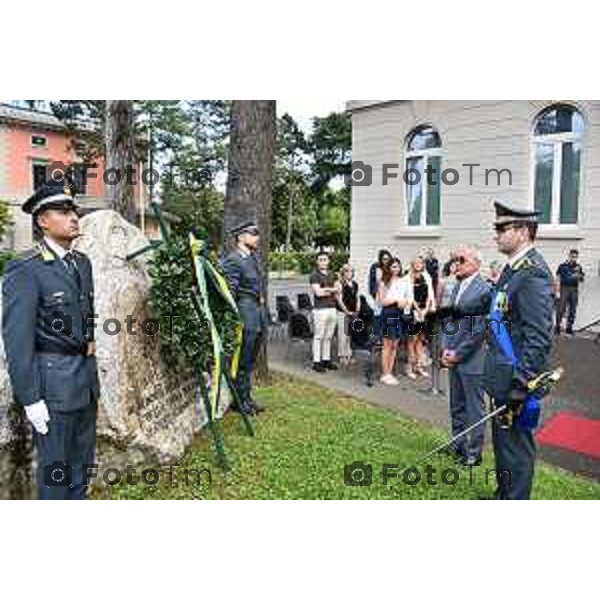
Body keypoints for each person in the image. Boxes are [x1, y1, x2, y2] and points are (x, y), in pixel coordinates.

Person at [2, 178, 100, 500]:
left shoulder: (81, 263)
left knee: (81, 467)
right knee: (56, 473)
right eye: (63, 210)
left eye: (74, 210)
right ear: (43, 220)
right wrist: (31, 399)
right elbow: (18, 340)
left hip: (85, 380)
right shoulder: (26, 269)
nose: (74, 216)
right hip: (54, 387)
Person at [484, 200, 553, 500]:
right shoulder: (514, 270)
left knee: (517, 447)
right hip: (503, 373)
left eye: (502, 228)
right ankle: (504, 495)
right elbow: (498, 306)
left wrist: (522, 382)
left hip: (517, 379)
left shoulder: (534, 272)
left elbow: (539, 336)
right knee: (503, 443)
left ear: (523, 231)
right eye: (496, 228)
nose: (496, 234)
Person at [441, 247, 490, 467]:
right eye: (454, 259)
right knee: (456, 404)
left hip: (472, 360)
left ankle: (474, 452)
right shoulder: (458, 286)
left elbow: (479, 330)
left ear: (476, 264)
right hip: (452, 355)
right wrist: (445, 348)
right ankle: (458, 444)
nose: (456, 263)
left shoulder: (483, 290)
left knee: (474, 407)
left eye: (461, 259)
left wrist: (457, 354)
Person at [220, 221, 267, 416]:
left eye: (257, 233)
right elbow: (229, 292)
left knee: (249, 362)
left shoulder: (252, 258)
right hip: (245, 314)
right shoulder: (233, 259)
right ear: (240, 237)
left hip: (257, 312)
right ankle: (239, 401)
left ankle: (246, 398)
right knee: (241, 360)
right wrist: (235, 317)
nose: (257, 237)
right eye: (253, 233)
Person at [377, 258, 411, 385]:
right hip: (388, 313)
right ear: (388, 268)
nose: (396, 269)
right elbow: (381, 301)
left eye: (398, 267)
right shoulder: (383, 282)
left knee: (395, 344)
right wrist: (396, 300)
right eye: (393, 266)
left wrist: (404, 302)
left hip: (399, 313)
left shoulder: (403, 281)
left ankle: (389, 372)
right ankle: (385, 373)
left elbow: (407, 298)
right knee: (387, 345)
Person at [406, 257, 436, 379]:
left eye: (420, 262)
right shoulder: (409, 277)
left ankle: (419, 366)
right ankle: (409, 367)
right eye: (416, 262)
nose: (418, 264)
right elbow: (410, 296)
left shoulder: (426, 276)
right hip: (414, 311)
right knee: (412, 340)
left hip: (424, 311)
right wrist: (418, 310)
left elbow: (430, 294)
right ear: (412, 264)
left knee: (420, 340)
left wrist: (426, 309)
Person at [309, 252, 339, 373]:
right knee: (318, 336)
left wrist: (326, 289)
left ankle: (326, 360)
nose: (323, 262)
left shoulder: (333, 274)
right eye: (320, 260)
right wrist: (331, 290)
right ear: (317, 262)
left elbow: (339, 289)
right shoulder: (314, 275)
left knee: (328, 336)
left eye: (325, 259)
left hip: (332, 308)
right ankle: (317, 362)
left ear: (328, 261)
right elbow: (318, 293)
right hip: (320, 310)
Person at [555, 249, 585, 335]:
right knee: (561, 309)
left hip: (574, 289)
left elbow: (582, 279)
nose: (574, 258)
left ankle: (569, 327)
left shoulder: (579, 267)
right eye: (572, 256)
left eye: (575, 257)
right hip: (564, 288)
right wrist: (557, 290)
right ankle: (557, 326)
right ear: (569, 256)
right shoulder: (562, 266)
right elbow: (558, 277)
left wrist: (579, 276)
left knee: (572, 309)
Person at [336, 264, 360, 367]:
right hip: (343, 313)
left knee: (350, 335)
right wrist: (346, 311)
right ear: (343, 272)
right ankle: (342, 356)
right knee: (343, 335)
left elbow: (357, 297)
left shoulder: (354, 284)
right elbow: (339, 300)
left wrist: (358, 309)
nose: (349, 273)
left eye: (350, 271)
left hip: (353, 313)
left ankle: (349, 355)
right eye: (346, 271)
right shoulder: (339, 283)